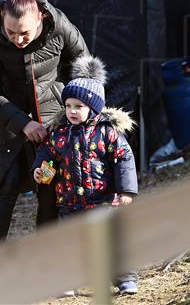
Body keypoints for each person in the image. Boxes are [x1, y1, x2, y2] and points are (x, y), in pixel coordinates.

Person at [0, 0, 90, 243]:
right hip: (6, 122)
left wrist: (79, 105)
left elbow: (85, 67)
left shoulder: (60, 25)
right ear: (3, 16)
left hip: (51, 121)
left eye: (24, 33)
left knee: (49, 187)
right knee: (5, 184)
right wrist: (23, 123)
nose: (17, 39)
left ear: (41, 17)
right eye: (11, 32)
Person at [33, 55, 138, 295]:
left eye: (78, 107)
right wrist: (40, 170)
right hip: (70, 202)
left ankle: (124, 278)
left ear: (94, 108)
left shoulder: (107, 133)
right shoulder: (60, 134)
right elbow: (47, 153)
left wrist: (126, 190)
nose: (72, 111)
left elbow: (123, 158)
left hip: (103, 200)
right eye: (68, 106)